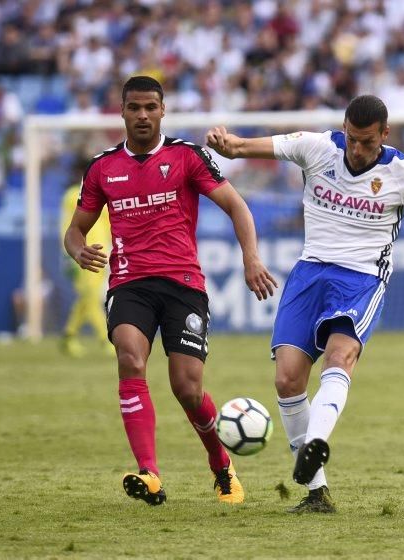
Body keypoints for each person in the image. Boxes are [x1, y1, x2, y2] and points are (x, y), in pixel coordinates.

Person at [206, 94, 404, 514]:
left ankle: (317, 441)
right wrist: (223, 139)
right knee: (288, 381)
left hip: (361, 279)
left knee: (339, 357)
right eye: (351, 139)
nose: (356, 150)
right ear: (342, 128)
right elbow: (241, 147)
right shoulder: (317, 147)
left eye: (366, 142)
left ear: (385, 134)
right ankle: (317, 495)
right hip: (309, 273)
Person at [64, 76, 277, 507]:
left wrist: (251, 258)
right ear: (122, 112)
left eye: (150, 107)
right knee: (129, 357)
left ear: (163, 111)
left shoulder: (186, 157)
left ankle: (221, 466)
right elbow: (75, 231)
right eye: (134, 108)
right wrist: (78, 251)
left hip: (183, 285)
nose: (142, 115)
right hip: (130, 284)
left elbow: (237, 206)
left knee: (188, 388)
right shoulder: (103, 167)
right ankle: (150, 473)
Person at [59, 164, 111, 358]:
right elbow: (70, 227)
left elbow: (109, 225)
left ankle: (68, 336)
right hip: (82, 254)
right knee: (90, 296)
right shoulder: (73, 195)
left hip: (102, 254)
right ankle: (105, 340)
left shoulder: (105, 193)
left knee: (88, 297)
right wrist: (68, 255)